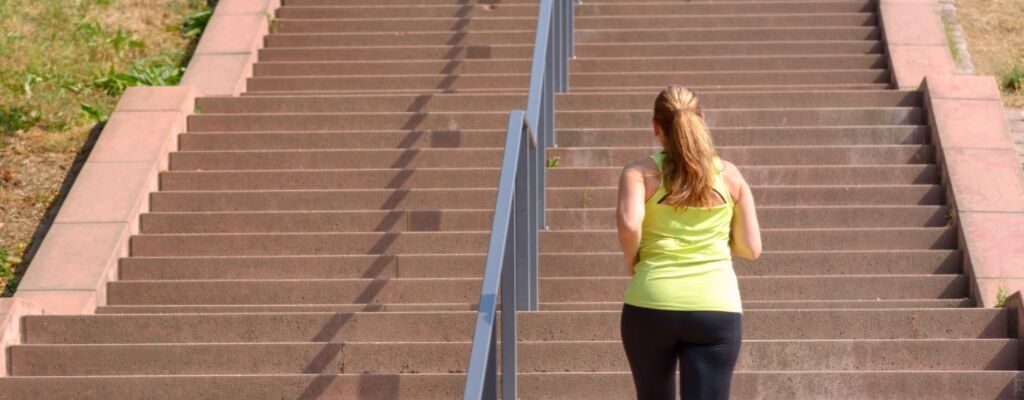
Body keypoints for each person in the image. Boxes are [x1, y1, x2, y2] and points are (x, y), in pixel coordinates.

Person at [615, 85, 762, 400]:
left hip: (651, 300)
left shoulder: (639, 173)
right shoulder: (731, 176)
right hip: (715, 304)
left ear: (656, 126)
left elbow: (629, 222)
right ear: (702, 119)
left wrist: (632, 261)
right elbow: (751, 248)